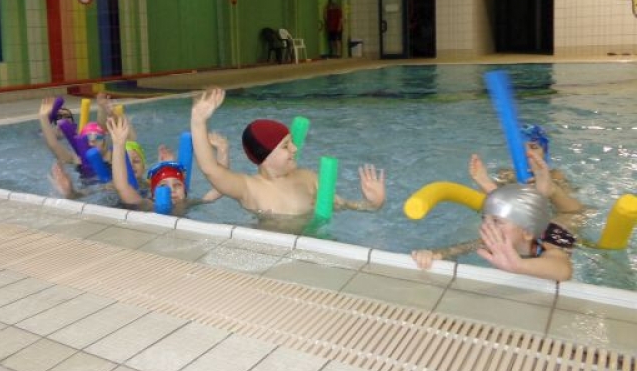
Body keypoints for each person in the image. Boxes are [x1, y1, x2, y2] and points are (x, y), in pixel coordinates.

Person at [190, 87, 385, 217]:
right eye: (285, 146)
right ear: (265, 156)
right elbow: (210, 169)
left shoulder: (309, 178)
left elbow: (342, 205)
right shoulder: (249, 188)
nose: (295, 148)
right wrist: (198, 120)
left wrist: (371, 204)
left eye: (291, 142)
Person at [411, 151, 576, 281]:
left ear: (526, 233)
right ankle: (499, 190)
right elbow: (454, 250)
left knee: (572, 215)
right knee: (514, 208)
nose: (486, 226)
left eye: (496, 221)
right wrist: (431, 255)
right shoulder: (491, 240)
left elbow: (564, 270)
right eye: (485, 219)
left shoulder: (549, 248)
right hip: (526, 224)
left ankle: (551, 190)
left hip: (558, 232)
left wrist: (519, 265)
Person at [107, 115, 229, 214]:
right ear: (153, 194)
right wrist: (118, 144)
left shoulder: (186, 203)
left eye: (177, 185)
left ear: (185, 191)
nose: (172, 190)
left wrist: (223, 151)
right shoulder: (148, 205)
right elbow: (122, 187)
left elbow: (221, 188)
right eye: (163, 185)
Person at [468, 124, 583, 220]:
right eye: (520, 148)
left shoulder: (555, 175)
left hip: (549, 220)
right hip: (517, 222)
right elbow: (482, 210)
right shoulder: (507, 176)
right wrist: (486, 186)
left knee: (571, 219)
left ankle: (552, 191)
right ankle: (491, 189)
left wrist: (553, 189)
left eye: (533, 147)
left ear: (544, 153)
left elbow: (577, 212)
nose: (527, 153)